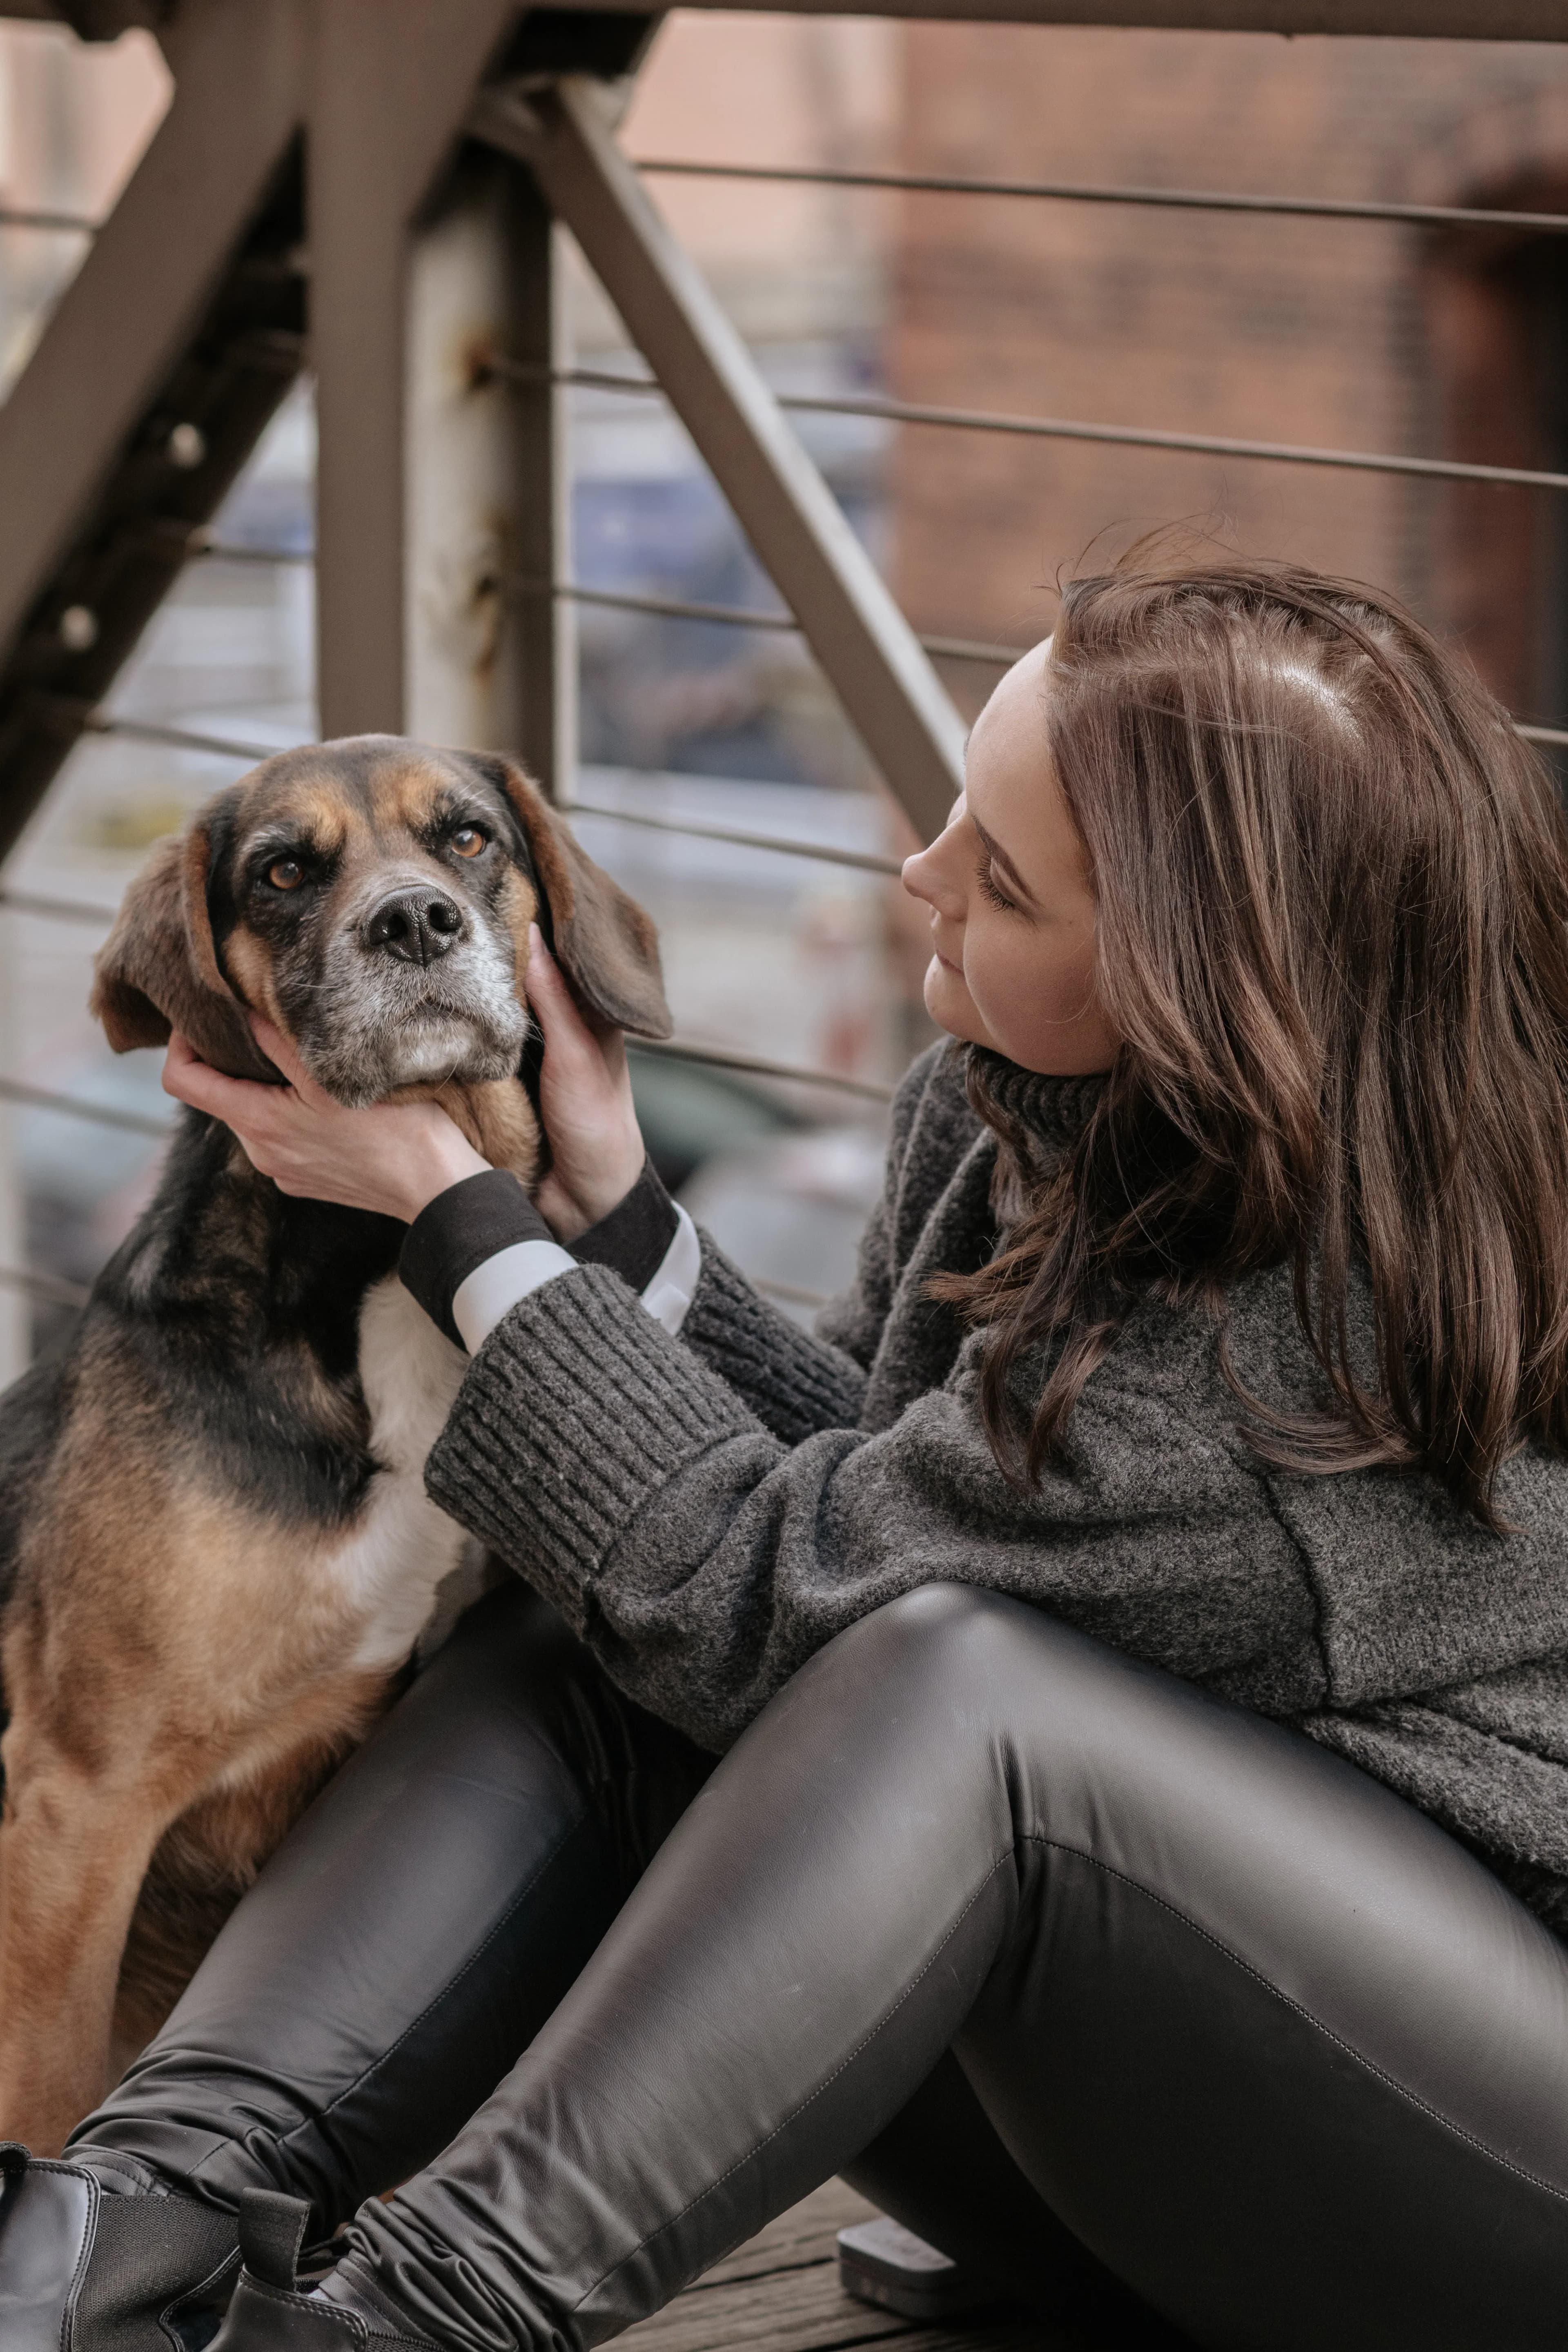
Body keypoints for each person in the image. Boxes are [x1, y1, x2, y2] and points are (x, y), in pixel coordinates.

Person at [9, 552, 1568, 2352]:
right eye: (954, 820)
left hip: (1453, 2186)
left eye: (994, 874)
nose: (916, 876)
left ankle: (391, 2332)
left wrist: (460, 1213)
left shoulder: (1312, 1354)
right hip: (1105, 2083)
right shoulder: (1027, 1116)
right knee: (601, 1611)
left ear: (1203, 991)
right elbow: (867, 1501)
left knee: (936, 1686)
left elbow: (782, 1599)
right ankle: (104, 2247)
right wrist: (605, 1210)